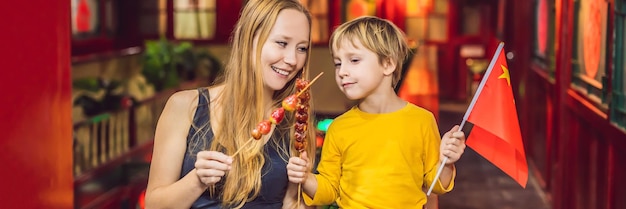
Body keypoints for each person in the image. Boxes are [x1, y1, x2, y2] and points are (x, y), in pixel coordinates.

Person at [144, 0, 317, 208]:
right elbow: (154, 205)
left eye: (302, 48)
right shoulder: (185, 107)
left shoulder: (297, 121)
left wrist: (306, 189)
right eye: (281, 43)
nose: (292, 59)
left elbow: (293, 202)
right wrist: (197, 180)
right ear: (248, 39)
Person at [286, 16, 467, 208]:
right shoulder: (339, 128)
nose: (342, 71)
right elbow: (329, 189)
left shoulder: (422, 121)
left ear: (388, 64)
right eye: (338, 63)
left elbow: (435, 184)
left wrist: (447, 162)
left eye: (354, 60)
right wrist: (306, 178)